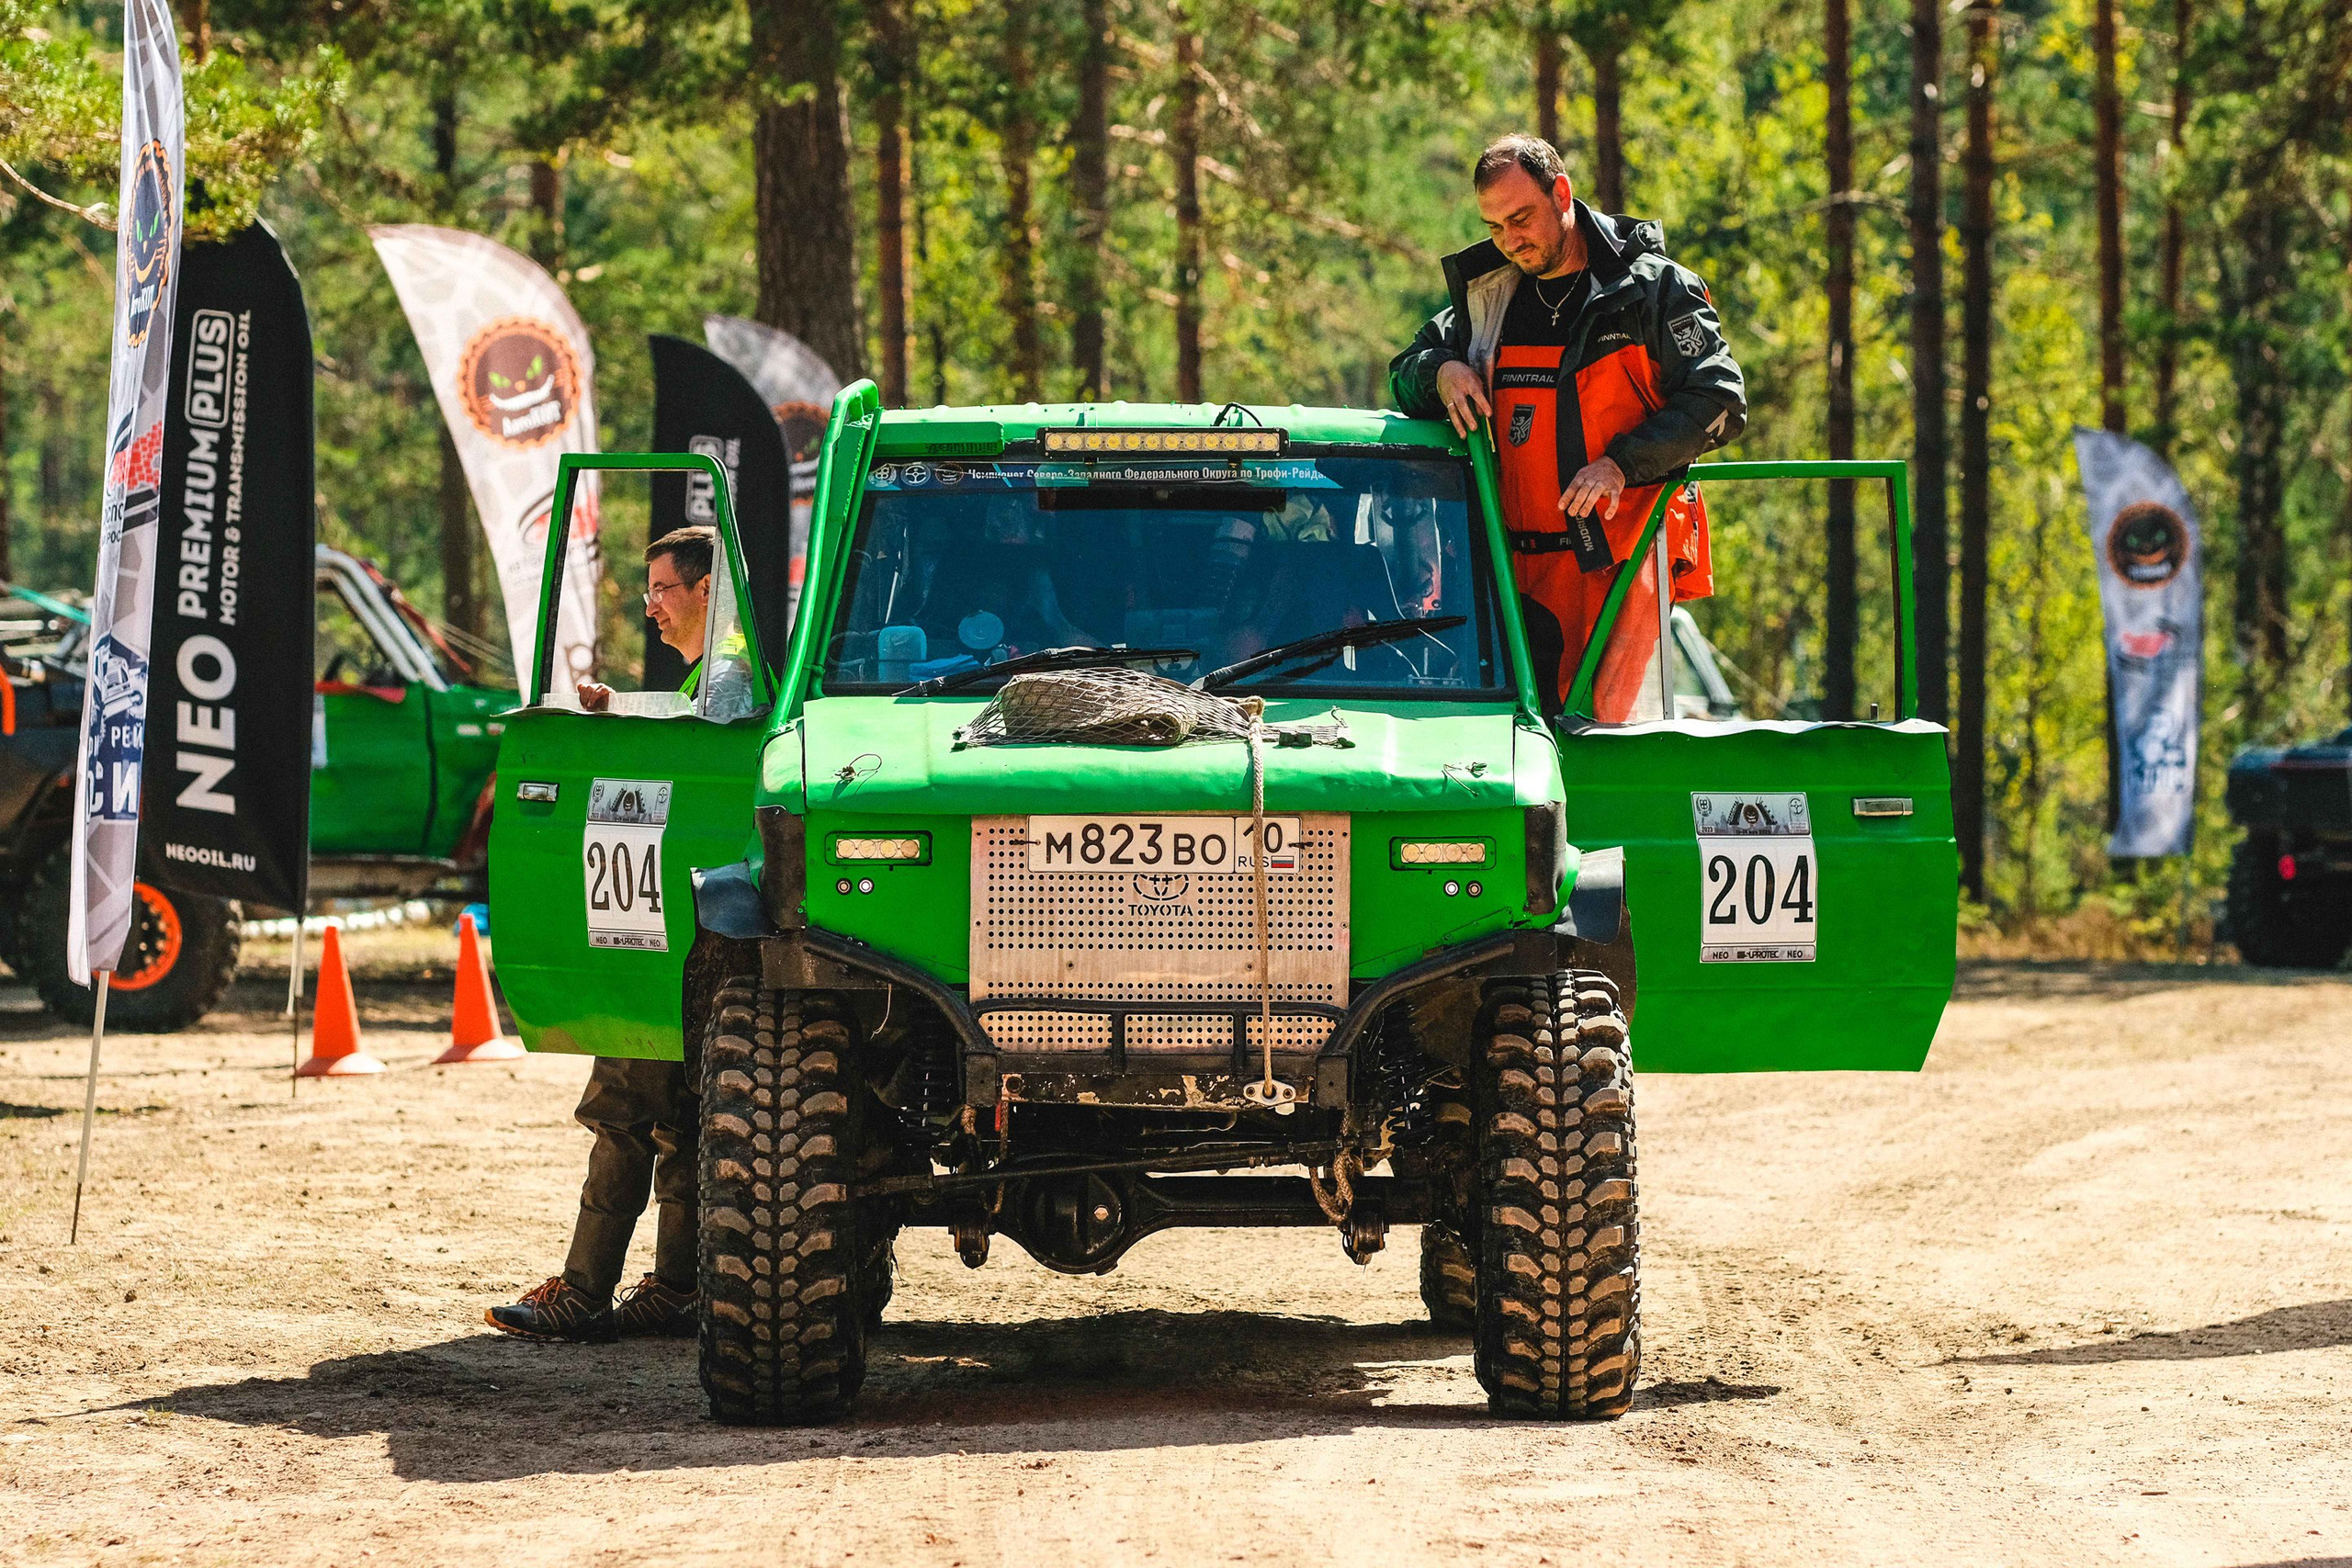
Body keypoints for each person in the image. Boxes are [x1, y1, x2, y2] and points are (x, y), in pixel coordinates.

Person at [1389, 134, 1747, 718]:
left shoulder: (1651, 290)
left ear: (1562, 192)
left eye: (1521, 219)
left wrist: (1620, 465)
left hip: (1619, 568)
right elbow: (1402, 372)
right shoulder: (1488, 298)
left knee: (1610, 756)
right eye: (1495, 226)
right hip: (1503, 574)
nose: (1510, 241)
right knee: (1509, 758)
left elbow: (1720, 399)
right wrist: (1442, 372)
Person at [487, 526, 718, 1343]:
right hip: (706, 942)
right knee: (686, 1114)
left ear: (703, 590)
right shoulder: (726, 680)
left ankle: (583, 1292)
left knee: (623, 1103)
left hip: (664, 939)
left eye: (661, 588)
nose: (648, 604)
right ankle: (680, 1286)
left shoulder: (727, 682)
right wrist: (614, 709)